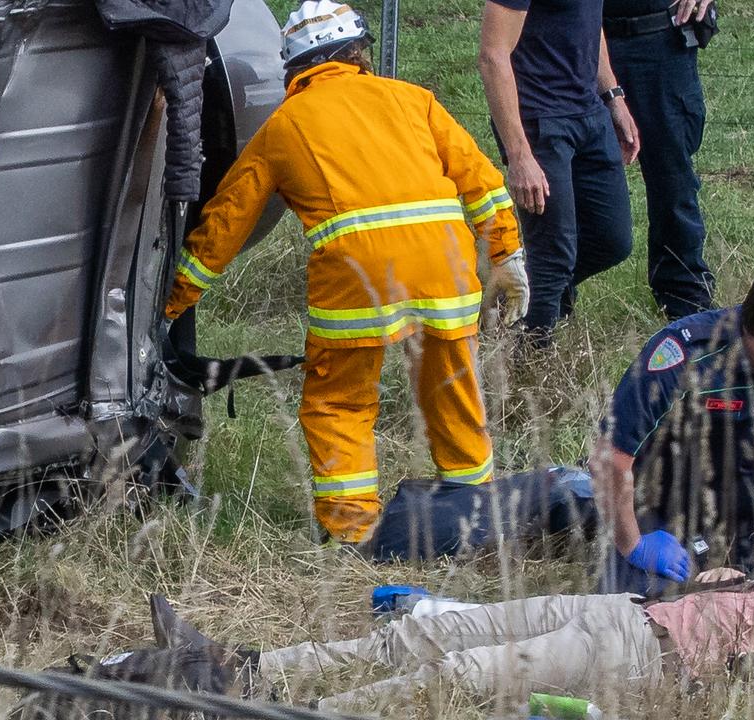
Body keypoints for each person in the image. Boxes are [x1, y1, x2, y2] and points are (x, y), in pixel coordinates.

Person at [165, 1, 528, 547]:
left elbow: (224, 224)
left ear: (294, 67)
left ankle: (353, 533)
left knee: (339, 403)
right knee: (452, 391)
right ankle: (474, 513)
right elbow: (481, 181)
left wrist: (171, 303)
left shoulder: (284, 126)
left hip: (357, 285)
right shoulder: (415, 100)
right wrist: (507, 256)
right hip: (445, 274)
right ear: (359, 52)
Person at [593, 262, 754, 595]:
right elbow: (610, 458)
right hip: (667, 503)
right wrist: (633, 544)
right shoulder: (685, 357)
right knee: (640, 605)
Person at [245, 579, 754, 709]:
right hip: (624, 609)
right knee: (424, 633)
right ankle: (245, 671)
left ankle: (303, 714)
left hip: (642, 658)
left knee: (463, 671)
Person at [478, 0, 639, 342]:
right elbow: (493, 56)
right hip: (540, 119)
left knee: (613, 240)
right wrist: (519, 153)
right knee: (553, 251)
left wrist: (613, 97)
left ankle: (520, 297)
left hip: (589, 113)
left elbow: (588, 22)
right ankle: (533, 359)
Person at [603, 0, 717, 319]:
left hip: (659, 41)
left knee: (673, 182)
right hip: (576, 37)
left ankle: (686, 305)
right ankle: (550, 302)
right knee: (570, 173)